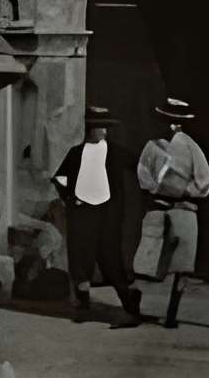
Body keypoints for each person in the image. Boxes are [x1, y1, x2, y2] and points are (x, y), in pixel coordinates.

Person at [52, 106, 143, 327]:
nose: (101, 131)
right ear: (88, 130)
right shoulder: (75, 153)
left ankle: (130, 303)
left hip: (107, 215)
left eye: (104, 127)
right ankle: (84, 307)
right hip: (82, 214)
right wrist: (71, 199)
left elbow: (141, 167)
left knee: (111, 259)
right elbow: (60, 178)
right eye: (96, 127)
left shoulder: (117, 152)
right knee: (81, 259)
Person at [135, 96, 209, 329]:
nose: (169, 126)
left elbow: (204, 181)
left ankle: (172, 314)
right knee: (147, 260)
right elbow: (143, 173)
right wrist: (157, 189)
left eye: (174, 122)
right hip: (158, 207)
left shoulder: (191, 148)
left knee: (182, 267)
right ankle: (135, 308)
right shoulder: (152, 146)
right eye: (166, 120)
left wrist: (181, 191)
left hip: (184, 210)